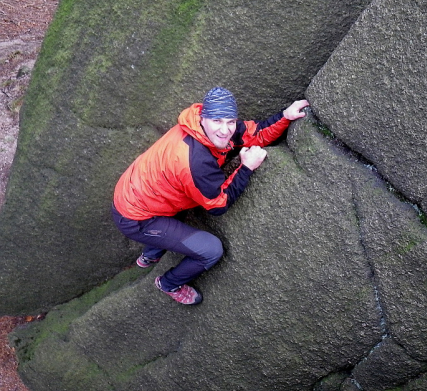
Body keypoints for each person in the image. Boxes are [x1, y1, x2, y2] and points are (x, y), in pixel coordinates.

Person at [112, 87, 309, 305]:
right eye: (217, 121)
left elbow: (256, 133)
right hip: (136, 217)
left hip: (140, 193)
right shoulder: (196, 162)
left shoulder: (196, 127)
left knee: (173, 216)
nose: (225, 130)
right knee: (211, 250)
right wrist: (246, 168)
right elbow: (218, 205)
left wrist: (285, 116)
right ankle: (169, 283)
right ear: (203, 119)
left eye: (230, 121)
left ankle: (151, 254)